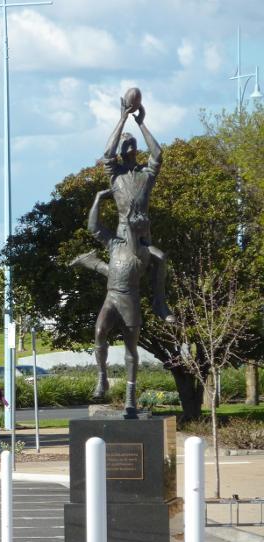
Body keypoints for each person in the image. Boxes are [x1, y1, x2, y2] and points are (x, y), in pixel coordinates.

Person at [70, 189, 147, 418]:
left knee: (130, 349)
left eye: (128, 225)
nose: (124, 227)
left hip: (130, 300)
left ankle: (130, 395)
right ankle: (102, 378)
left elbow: (139, 267)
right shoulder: (114, 244)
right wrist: (97, 198)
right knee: (100, 331)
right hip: (111, 297)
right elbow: (93, 227)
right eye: (123, 224)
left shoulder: (144, 251)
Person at [101, 96, 174, 323]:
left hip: (144, 234)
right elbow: (107, 154)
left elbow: (158, 154)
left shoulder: (145, 175)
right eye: (125, 145)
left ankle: (159, 303)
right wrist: (122, 119)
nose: (130, 147)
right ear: (121, 152)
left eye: (132, 144)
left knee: (160, 258)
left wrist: (141, 123)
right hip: (124, 236)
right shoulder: (115, 176)